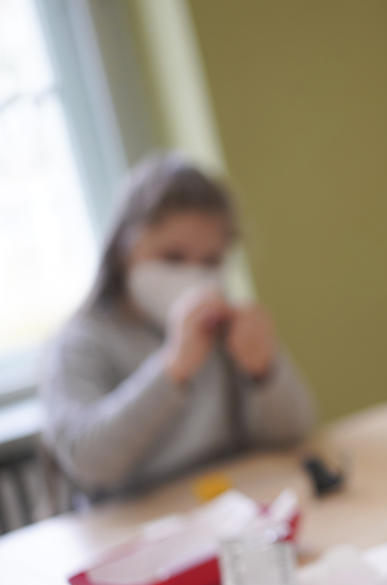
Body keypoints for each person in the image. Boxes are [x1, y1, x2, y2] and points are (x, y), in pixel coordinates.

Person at [41, 153, 315, 501]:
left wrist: (263, 373)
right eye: (172, 257)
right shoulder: (80, 343)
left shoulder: (225, 323)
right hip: (131, 530)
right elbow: (88, 461)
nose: (192, 275)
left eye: (210, 261)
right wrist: (173, 368)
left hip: (233, 507)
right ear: (125, 248)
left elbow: (295, 432)